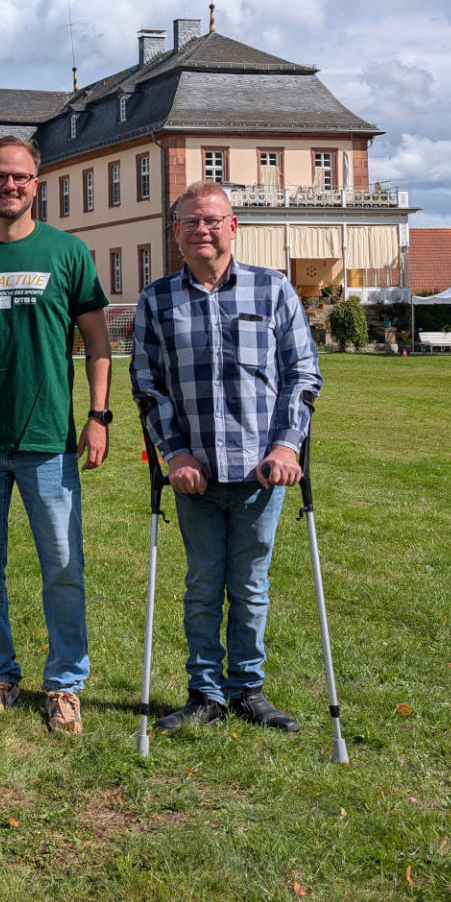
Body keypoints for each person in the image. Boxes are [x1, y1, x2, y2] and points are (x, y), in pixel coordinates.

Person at [0, 135, 111, 735]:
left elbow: (98, 342)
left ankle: (65, 683)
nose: (10, 186)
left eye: (21, 177)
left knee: (62, 563)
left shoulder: (67, 252)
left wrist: (99, 415)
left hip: (47, 442)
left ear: (38, 183)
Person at [130, 179, 322, 734]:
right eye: (190, 222)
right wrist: (176, 453)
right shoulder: (157, 300)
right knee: (202, 583)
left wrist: (287, 445)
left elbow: (302, 374)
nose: (202, 230)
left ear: (233, 226)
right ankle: (204, 693)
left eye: (212, 220)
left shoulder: (274, 290)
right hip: (196, 475)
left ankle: (248, 689)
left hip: (262, 473)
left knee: (250, 584)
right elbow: (147, 385)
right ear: (177, 233)